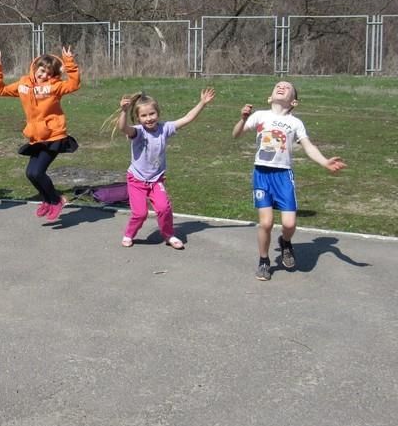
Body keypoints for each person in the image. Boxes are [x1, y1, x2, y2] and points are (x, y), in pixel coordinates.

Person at [232, 81, 346, 281]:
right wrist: (243, 119)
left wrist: (325, 162)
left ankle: (285, 242)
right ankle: (264, 261)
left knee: (289, 223)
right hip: (262, 173)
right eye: (278, 85)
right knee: (265, 223)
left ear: (294, 101)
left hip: (283, 175)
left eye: (287, 87)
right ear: (270, 97)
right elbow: (236, 134)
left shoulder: (295, 123)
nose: (281, 87)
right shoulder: (259, 115)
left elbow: (308, 147)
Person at [116, 88, 215, 249]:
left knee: (164, 208)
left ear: (158, 113)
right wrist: (124, 112)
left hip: (156, 180)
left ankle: (168, 235)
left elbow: (187, 118)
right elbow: (122, 128)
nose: (149, 118)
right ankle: (129, 234)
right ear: (138, 117)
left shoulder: (165, 128)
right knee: (140, 213)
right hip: (136, 180)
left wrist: (202, 103)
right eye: (144, 115)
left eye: (152, 114)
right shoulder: (138, 132)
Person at [0, 47, 80, 221]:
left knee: (38, 172)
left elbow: (74, 84)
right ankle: (47, 200)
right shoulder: (23, 84)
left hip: (54, 136)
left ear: (53, 75)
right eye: (42, 70)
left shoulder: (54, 87)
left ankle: (56, 200)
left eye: (49, 72)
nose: (44, 75)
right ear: (35, 67)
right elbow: (0, 90)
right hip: (36, 137)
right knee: (31, 173)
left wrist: (69, 63)